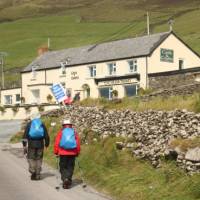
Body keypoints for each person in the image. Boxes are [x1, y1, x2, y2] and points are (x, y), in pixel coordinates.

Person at [54, 119, 80, 189]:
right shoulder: (74, 132)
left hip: (62, 153)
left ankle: (65, 179)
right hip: (73, 153)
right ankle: (68, 179)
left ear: (63, 125)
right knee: (70, 167)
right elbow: (77, 143)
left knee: (62, 167)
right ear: (71, 125)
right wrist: (77, 152)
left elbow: (57, 143)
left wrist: (56, 152)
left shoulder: (61, 132)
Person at [22, 113, 50, 180]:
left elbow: (25, 135)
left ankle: (33, 170)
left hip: (31, 144)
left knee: (31, 158)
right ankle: (37, 175)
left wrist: (24, 145)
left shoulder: (29, 124)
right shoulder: (41, 124)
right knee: (39, 159)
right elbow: (46, 136)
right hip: (40, 144)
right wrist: (46, 144)